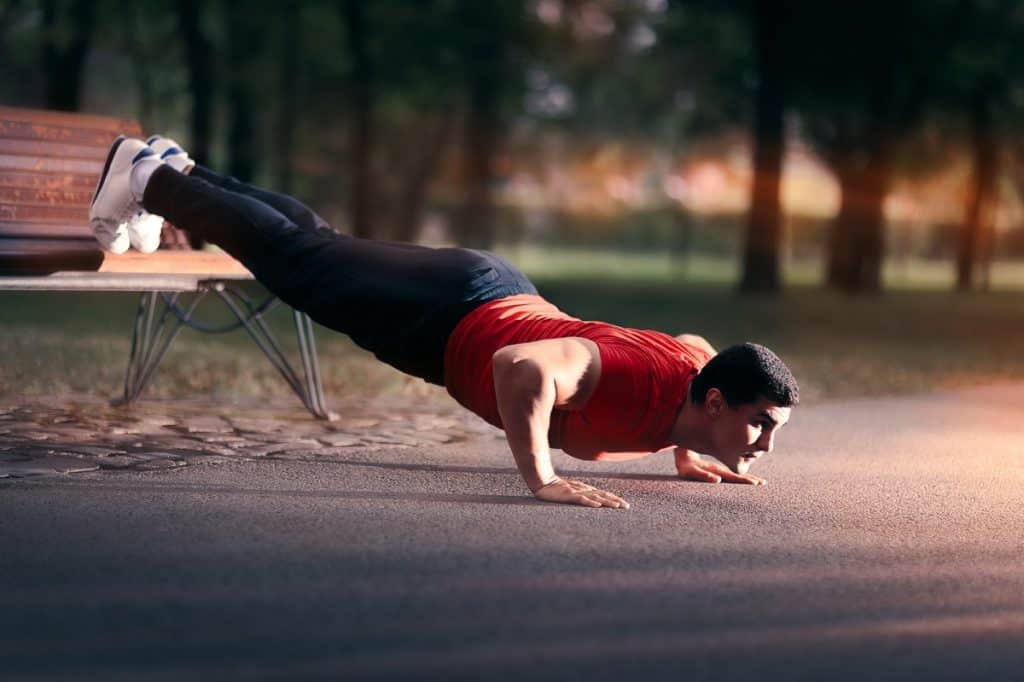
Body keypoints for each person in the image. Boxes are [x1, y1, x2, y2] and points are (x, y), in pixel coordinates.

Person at [89, 135, 799, 510]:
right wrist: (540, 478)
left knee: (316, 245)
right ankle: (148, 180)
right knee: (297, 263)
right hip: (449, 316)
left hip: (482, 291)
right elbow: (517, 368)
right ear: (714, 402)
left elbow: (702, 349)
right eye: (761, 422)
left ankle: (177, 169)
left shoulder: (691, 387)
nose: (766, 440)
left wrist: (688, 444)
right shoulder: (640, 379)